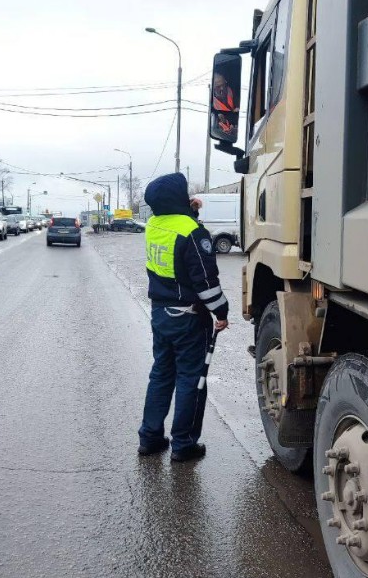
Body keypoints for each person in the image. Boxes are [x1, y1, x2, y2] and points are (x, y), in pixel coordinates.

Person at [138, 172, 229, 462]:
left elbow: (174, 229)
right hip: (188, 317)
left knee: (161, 375)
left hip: (160, 313)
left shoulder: (153, 224)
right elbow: (205, 281)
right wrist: (221, 311)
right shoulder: (193, 232)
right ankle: (183, 444)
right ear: (179, 197)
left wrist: (189, 211)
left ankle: (150, 438)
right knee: (191, 379)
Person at [212, 73, 239, 139]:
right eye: (218, 86)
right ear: (213, 87)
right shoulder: (211, 105)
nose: (221, 88)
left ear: (225, 82)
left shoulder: (234, 92)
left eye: (223, 85)